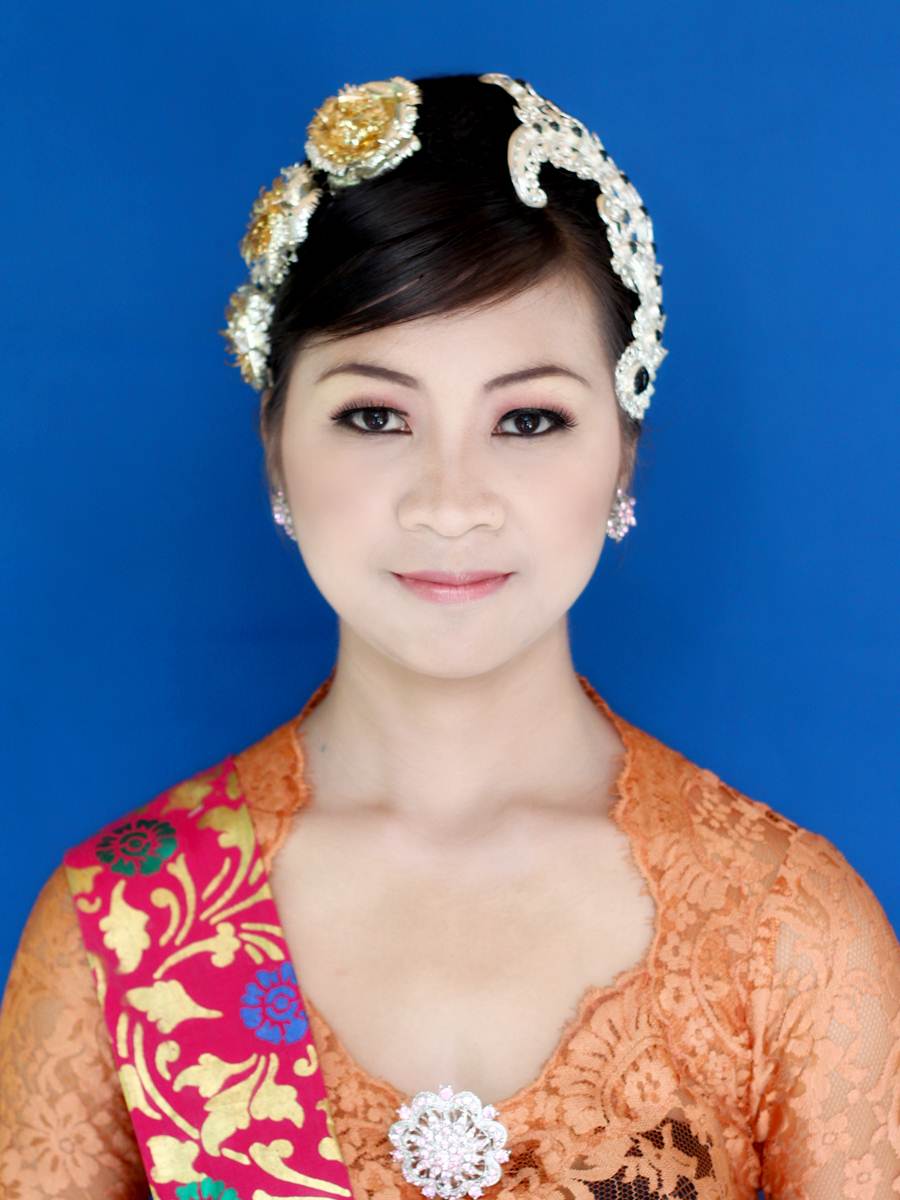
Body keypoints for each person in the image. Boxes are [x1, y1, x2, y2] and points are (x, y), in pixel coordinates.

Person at [1, 70, 898, 1200]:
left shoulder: (785, 929)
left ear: (623, 453)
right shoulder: (122, 925)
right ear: (276, 443)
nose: (450, 503)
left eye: (528, 419)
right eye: (377, 415)